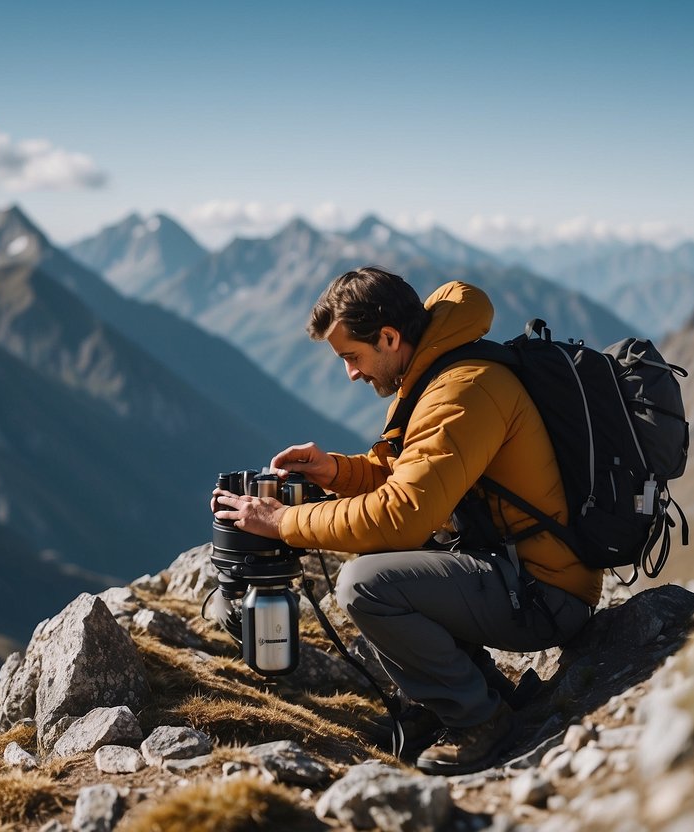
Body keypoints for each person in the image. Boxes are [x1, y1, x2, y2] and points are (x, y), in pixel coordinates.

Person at [212, 266, 601, 776]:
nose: (350, 372)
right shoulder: (439, 369)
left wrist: (286, 521)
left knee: (366, 584)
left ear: (390, 337)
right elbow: (407, 474)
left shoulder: (463, 390)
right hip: (513, 569)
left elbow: (400, 517)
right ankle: (473, 694)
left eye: (352, 356)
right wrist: (334, 470)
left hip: (545, 594)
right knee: (383, 561)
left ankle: (477, 719)